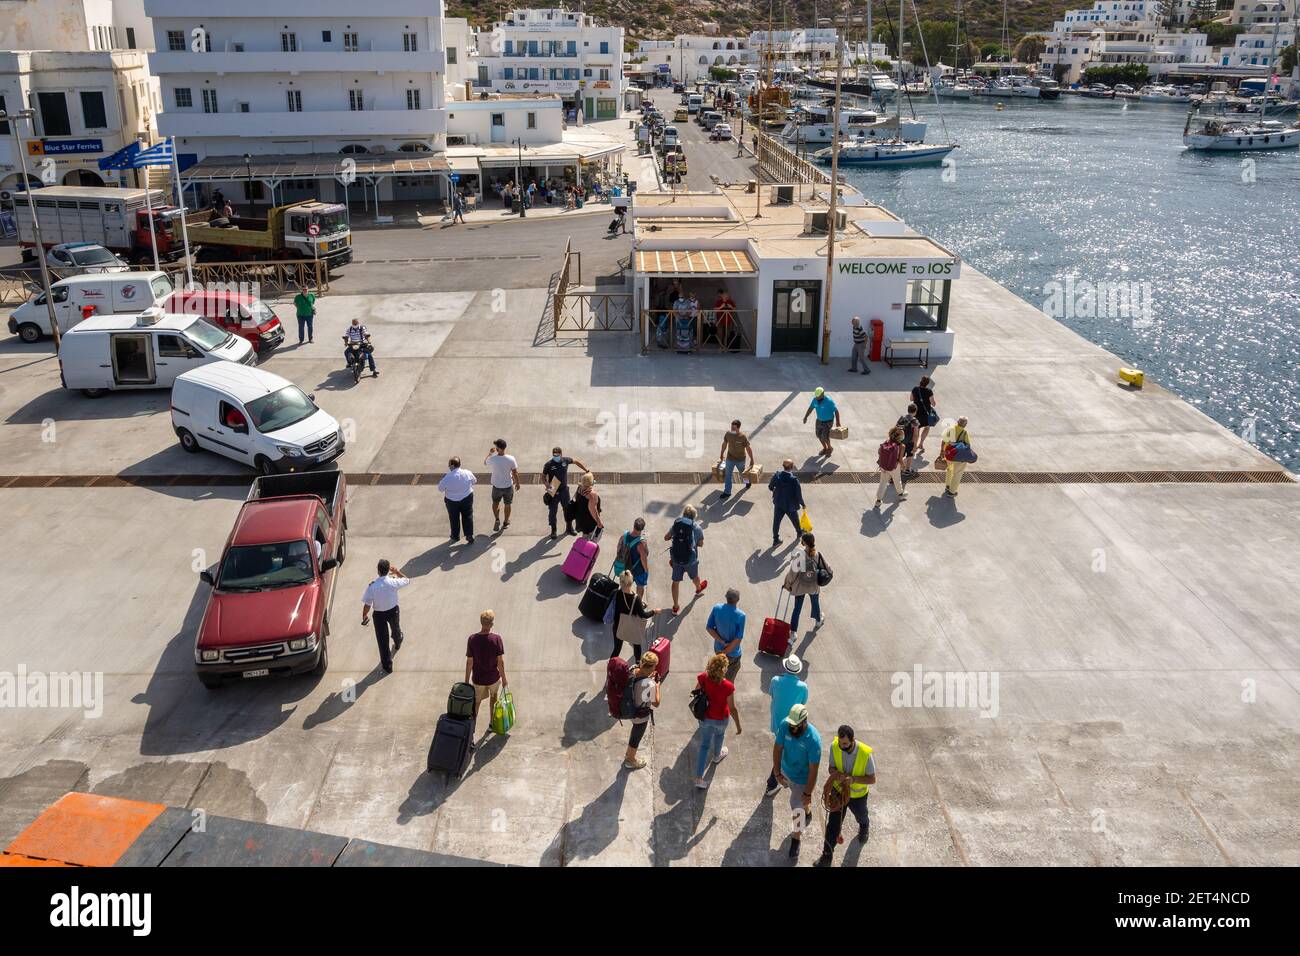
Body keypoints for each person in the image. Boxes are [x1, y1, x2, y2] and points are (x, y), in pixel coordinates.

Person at [816, 725, 876, 867]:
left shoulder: (865, 753)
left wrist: (853, 779)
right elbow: (831, 768)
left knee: (861, 815)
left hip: (858, 796)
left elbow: (872, 779)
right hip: (838, 792)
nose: (842, 746)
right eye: (840, 743)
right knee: (833, 826)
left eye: (845, 744)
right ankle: (826, 857)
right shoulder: (835, 746)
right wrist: (836, 774)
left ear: (853, 740)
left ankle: (864, 826)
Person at [770, 703, 822, 860]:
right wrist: (777, 772)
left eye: (796, 726)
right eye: (791, 725)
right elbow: (777, 748)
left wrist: (807, 792)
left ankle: (796, 838)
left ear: (805, 721)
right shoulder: (785, 724)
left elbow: (814, 770)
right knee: (802, 805)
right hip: (786, 773)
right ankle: (807, 809)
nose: (792, 729)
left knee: (796, 810)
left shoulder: (813, 740)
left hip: (801, 781)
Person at [693, 653, 741, 789]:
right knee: (720, 735)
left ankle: (698, 778)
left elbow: (696, 692)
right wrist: (738, 726)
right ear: (724, 669)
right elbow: (732, 708)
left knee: (704, 745)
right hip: (721, 718)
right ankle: (716, 755)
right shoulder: (728, 686)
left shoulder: (703, 677)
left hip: (704, 718)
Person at [764, 655, 809, 795]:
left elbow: (772, 695)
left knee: (781, 749)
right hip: (792, 725)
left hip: (777, 722)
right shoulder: (803, 687)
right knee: (782, 752)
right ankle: (772, 783)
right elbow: (802, 704)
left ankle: (773, 782)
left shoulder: (775, 680)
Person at [465, 610, 508, 743]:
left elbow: (469, 662)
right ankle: (491, 724)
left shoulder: (472, 639)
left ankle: (471, 730)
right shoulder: (496, 639)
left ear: (481, 623)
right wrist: (504, 678)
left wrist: (466, 681)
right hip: (493, 678)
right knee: (493, 700)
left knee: (476, 704)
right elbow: (500, 662)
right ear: (492, 624)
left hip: (478, 679)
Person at [361, 559, 408, 674]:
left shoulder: (372, 586)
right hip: (393, 611)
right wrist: (397, 572)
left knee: (382, 641)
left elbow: (367, 603)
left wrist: (364, 615)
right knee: (396, 629)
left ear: (378, 571)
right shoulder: (393, 582)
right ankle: (398, 641)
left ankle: (387, 667)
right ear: (388, 571)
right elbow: (407, 580)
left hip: (379, 616)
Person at [664, 504, 707, 615]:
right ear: (694, 517)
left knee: (675, 582)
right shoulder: (696, 527)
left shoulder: (677, 524)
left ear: (684, 514)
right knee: (695, 576)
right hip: (690, 559)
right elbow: (701, 544)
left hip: (676, 558)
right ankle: (698, 589)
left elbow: (666, 537)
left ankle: (675, 607)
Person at [611, 571, 661, 662]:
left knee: (616, 649)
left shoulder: (616, 593)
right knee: (637, 646)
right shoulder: (636, 599)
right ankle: (637, 665)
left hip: (618, 626)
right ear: (631, 581)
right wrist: (654, 611)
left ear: (621, 582)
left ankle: (611, 666)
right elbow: (643, 615)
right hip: (632, 627)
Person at [623, 652, 661, 770]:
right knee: (636, 737)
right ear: (652, 666)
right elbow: (656, 703)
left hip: (629, 708)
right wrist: (657, 686)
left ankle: (629, 753)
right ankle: (630, 760)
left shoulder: (633, 670)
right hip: (641, 715)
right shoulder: (650, 684)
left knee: (634, 733)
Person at [542, 447, 589, 539]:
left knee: (568, 510)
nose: (556, 456)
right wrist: (547, 485)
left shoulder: (566, 461)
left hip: (564, 490)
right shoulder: (548, 464)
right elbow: (543, 477)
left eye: (557, 455)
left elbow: (576, 462)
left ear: (561, 454)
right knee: (552, 512)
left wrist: (586, 470)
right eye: (554, 455)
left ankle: (569, 528)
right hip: (553, 489)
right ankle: (553, 530)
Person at [783, 532, 824, 632]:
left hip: (800, 586)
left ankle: (793, 632)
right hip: (813, 586)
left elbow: (793, 573)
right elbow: (825, 567)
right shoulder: (817, 554)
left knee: (797, 609)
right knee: (815, 603)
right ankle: (818, 621)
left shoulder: (800, 555)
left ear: (804, 543)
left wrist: (787, 584)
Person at [706, 588, 746, 681]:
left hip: (718, 648)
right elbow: (738, 638)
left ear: (726, 597)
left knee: (717, 674)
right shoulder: (741, 615)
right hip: (733, 653)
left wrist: (721, 641)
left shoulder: (716, 608)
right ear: (738, 600)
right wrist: (725, 652)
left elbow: (709, 627)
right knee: (728, 680)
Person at [437, 456, 477, 544]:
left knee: (454, 518)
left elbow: (440, 489)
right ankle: (469, 535)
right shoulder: (467, 472)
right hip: (467, 497)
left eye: (449, 465)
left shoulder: (447, 477)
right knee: (468, 516)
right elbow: (474, 481)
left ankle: (455, 536)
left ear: (452, 465)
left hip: (452, 501)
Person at [484, 438, 520, 534]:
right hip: (508, 486)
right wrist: (517, 483)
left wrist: (490, 453)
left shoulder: (493, 459)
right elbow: (515, 472)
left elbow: (485, 462)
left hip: (496, 486)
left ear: (498, 448)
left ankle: (497, 518)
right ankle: (505, 522)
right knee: (507, 504)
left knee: (495, 503)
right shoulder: (511, 458)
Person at [768, 458, 805, 548]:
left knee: (776, 522)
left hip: (779, 503)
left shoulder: (777, 475)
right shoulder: (794, 480)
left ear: (783, 466)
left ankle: (776, 540)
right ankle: (799, 533)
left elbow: (770, 486)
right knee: (795, 520)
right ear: (792, 467)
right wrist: (802, 504)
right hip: (790, 505)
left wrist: (776, 492)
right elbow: (798, 494)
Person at [612, 517, 651, 598]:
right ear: (642, 529)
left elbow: (618, 549)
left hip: (625, 568)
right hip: (638, 570)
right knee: (640, 587)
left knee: (625, 587)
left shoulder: (624, 536)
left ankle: (624, 601)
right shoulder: (641, 543)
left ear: (634, 525)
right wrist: (646, 570)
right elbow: (643, 559)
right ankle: (637, 603)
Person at [718, 419, 754, 499]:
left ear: (738, 428)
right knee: (728, 475)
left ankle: (747, 482)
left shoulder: (742, 437)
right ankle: (727, 492)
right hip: (730, 458)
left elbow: (748, 448)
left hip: (740, 459)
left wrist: (752, 459)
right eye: (731, 428)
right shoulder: (728, 434)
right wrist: (721, 454)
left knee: (743, 473)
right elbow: (724, 444)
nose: (732, 430)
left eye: (734, 428)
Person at [802, 387, 841, 457]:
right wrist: (805, 417)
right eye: (816, 396)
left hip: (828, 421)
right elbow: (811, 408)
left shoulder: (829, 401)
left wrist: (838, 422)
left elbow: (836, 411)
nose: (817, 398)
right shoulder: (815, 400)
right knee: (818, 435)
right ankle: (825, 448)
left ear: (822, 394)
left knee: (824, 437)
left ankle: (830, 448)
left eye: (818, 396)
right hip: (819, 420)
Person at [875, 426, 908, 509]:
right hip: (894, 467)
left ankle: (878, 501)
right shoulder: (902, 446)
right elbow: (900, 459)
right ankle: (901, 494)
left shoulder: (887, 442)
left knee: (882, 482)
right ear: (900, 437)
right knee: (897, 480)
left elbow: (879, 451)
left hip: (884, 466)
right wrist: (903, 466)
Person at [941, 416, 972, 498]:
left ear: (957, 422)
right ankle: (952, 491)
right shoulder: (964, 433)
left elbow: (944, 441)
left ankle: (947, 486)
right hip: (959, 456)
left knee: (949, 469)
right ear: (965, 425)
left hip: (948, 454)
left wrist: (942, 451)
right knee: (957, 473)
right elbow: (968, 445)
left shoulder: (950, 429)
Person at [912, 374, 937, 454]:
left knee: (917, 430)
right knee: (926, 427)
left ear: (920, 381)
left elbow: (911, 399)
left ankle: (915, 445)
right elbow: (933, 404)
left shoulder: (915, 389)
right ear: (927, 383)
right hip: (926, 414)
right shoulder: (929, 391)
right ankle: (921, 443)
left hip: (916, 413)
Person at [572, 471, 603, 538]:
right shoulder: (591, 494)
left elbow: (577, 500)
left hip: (580, 518)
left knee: (585, 535)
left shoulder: (579, 489)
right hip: (589, 520)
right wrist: (599, 523)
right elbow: (592, 510)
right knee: (592, 540)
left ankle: (583, 545)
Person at [897, 403, 921, 478]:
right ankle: (907, 470)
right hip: (910, 442)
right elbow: (916, 434)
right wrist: (915, 445)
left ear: (908, 410)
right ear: (915, 411)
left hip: (901, 442)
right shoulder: (915, 421)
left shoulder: (902, 418)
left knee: (899, 457)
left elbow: (896, 429)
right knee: (910, 455)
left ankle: (896, 472)